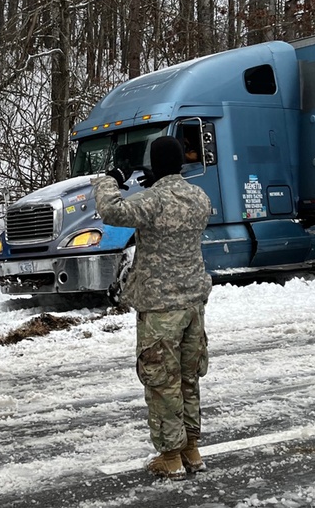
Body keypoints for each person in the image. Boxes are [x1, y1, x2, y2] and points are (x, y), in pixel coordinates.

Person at [93, 136, 212, 481]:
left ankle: (170, 456)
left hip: (161, 308)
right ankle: (192, 448)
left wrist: (111, 179)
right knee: (188, 378)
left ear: (154, 165)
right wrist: (160, 182)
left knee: (162, 382)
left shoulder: (152, 201)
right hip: (192, 304)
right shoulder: (199, 198)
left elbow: (111, 209)